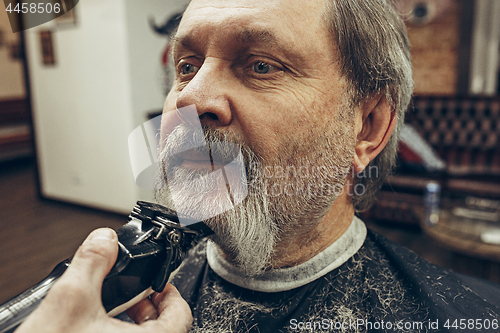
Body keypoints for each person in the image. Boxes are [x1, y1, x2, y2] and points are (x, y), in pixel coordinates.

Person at [15, 0, 500, 332]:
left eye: (261, 65)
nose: (190, 97)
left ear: (368, 126)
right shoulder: (112, 301)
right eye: (186, 66)